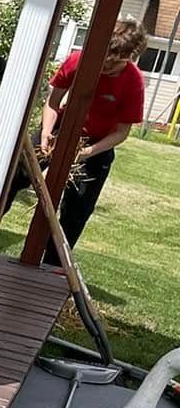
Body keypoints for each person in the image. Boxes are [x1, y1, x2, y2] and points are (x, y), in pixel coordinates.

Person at [36, 18, 147, 255]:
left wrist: (88, 152)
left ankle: (52, 268)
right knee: (15, 176)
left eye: (115, 62)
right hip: (59, 131)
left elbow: (121, 132)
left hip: (96, 147)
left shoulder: (133, 81)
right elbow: (53, 102)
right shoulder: (79, 61)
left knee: (77, 209)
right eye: (105, 57)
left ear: (131, 57)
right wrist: (46, 132)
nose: (106, 65)